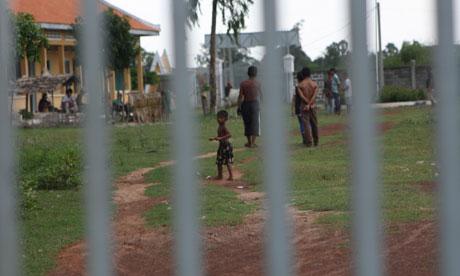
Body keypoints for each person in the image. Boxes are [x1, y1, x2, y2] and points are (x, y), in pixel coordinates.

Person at [238, 66, 262, 148]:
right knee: (255, 123)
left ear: (248, 73)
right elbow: (262, 95)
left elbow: (240, 96)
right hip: (255, 104)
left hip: (246, 104)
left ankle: (249, 142)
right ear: (256, 73)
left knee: (247, 123)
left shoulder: (243, 83)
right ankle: (253, 142)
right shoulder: (258, 83)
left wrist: (239, 107)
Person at [209, 110, 234, 180]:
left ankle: (231, 176)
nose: (218, 119)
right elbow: (220, 136)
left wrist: (220, 138)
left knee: (227, 161)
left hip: (226, 146)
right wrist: (214, 138)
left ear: (225, 119)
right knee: (219, 161)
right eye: (218, 117)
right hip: (221, 146)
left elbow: (229, 135)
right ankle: (220, 175)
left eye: (220, 118)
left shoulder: (224, 127)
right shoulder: (220, 126)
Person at [298, 67, 319, 147]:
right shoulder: (315, 84)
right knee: (314, 123)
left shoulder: (300, 85)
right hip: (313, 105)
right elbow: (314, 95)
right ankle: (316, 141)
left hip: (304, 106)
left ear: (303, 74)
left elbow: (302, 96)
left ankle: (309, 142)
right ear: (310, 74)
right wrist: (310, 104)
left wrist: (307, 104)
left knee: (306, 124)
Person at [292, 72, 306, 144]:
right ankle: (308, 137)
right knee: (306, 123)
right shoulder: (305, 86)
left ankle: (304, 138)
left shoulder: (297, 87)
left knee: (301, 123)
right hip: (305, 107)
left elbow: (293, 99)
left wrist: (292, 109)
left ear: (297, 79)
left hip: (298, 108)